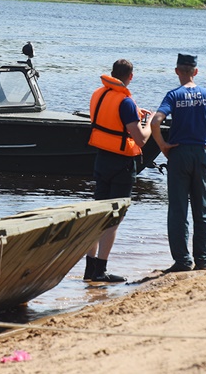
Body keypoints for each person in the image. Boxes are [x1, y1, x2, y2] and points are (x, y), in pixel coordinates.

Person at [150, 54, 206, 273]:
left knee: (178, 209)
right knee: (202, 209)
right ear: (195, 72)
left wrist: (162, 145)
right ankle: (202, 260)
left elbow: (155, 121)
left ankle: (182, 261)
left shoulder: (173, 95)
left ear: (177, 71)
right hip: (201, 153)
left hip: (178, 154)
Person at [83, 59, 153, 284]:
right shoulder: (125, 102)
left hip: (101, 159)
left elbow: (112, 118)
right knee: (114, 217)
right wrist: (149, 122)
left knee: (97, 215)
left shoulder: (99, 94)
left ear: (113, 74)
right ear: (130, 77)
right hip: (121, 163)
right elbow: (140, 139)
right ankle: (100, 271)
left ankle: (89, 269)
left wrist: (135, 113)